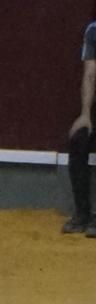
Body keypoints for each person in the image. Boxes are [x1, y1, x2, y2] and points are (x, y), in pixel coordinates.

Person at [63, 17, 96, 235]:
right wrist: (85, 115)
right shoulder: (94, 31)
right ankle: (82, 212)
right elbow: (90, 74)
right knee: (78, 141)